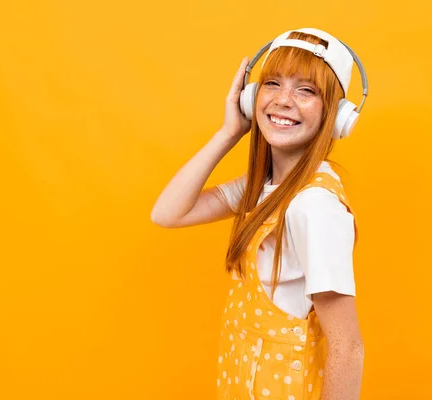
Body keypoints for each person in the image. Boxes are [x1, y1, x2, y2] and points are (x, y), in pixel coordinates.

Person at [151, 27, 367, 400]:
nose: (284, 100)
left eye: (306, 90)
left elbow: (348, 347)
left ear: (337, 116)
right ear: (251, 98)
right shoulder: (265, 187)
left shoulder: (313, 206)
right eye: (272, 84)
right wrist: (228, 132)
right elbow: (168, 213)